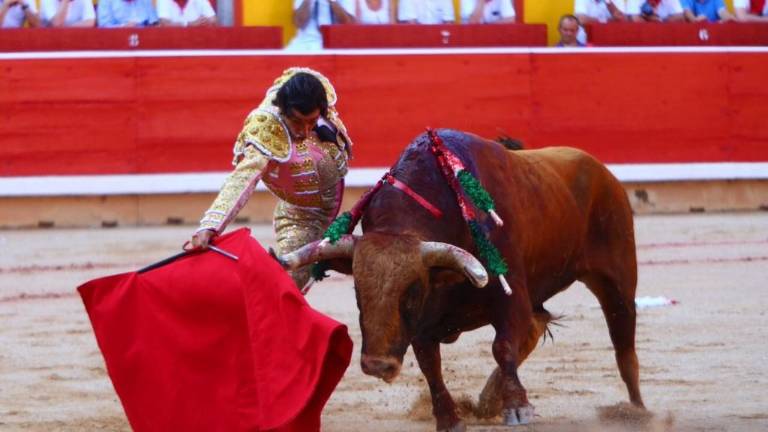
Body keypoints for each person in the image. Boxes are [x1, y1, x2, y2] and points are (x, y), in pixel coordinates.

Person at [191, 68, 353, 289]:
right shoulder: (267, 128)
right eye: (297, 122)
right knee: (287, 287)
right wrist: (210, 227)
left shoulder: (316, 98)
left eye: (312, 122)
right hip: (303, 215)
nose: (304, 131)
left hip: (348, 211)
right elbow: (243, 177)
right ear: (283, 110)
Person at [286, 0, 355, 50]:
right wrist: (307, 1)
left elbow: (348, 24)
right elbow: (299, 23)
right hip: (306, 42)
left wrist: (333, 2)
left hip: (336, 43)